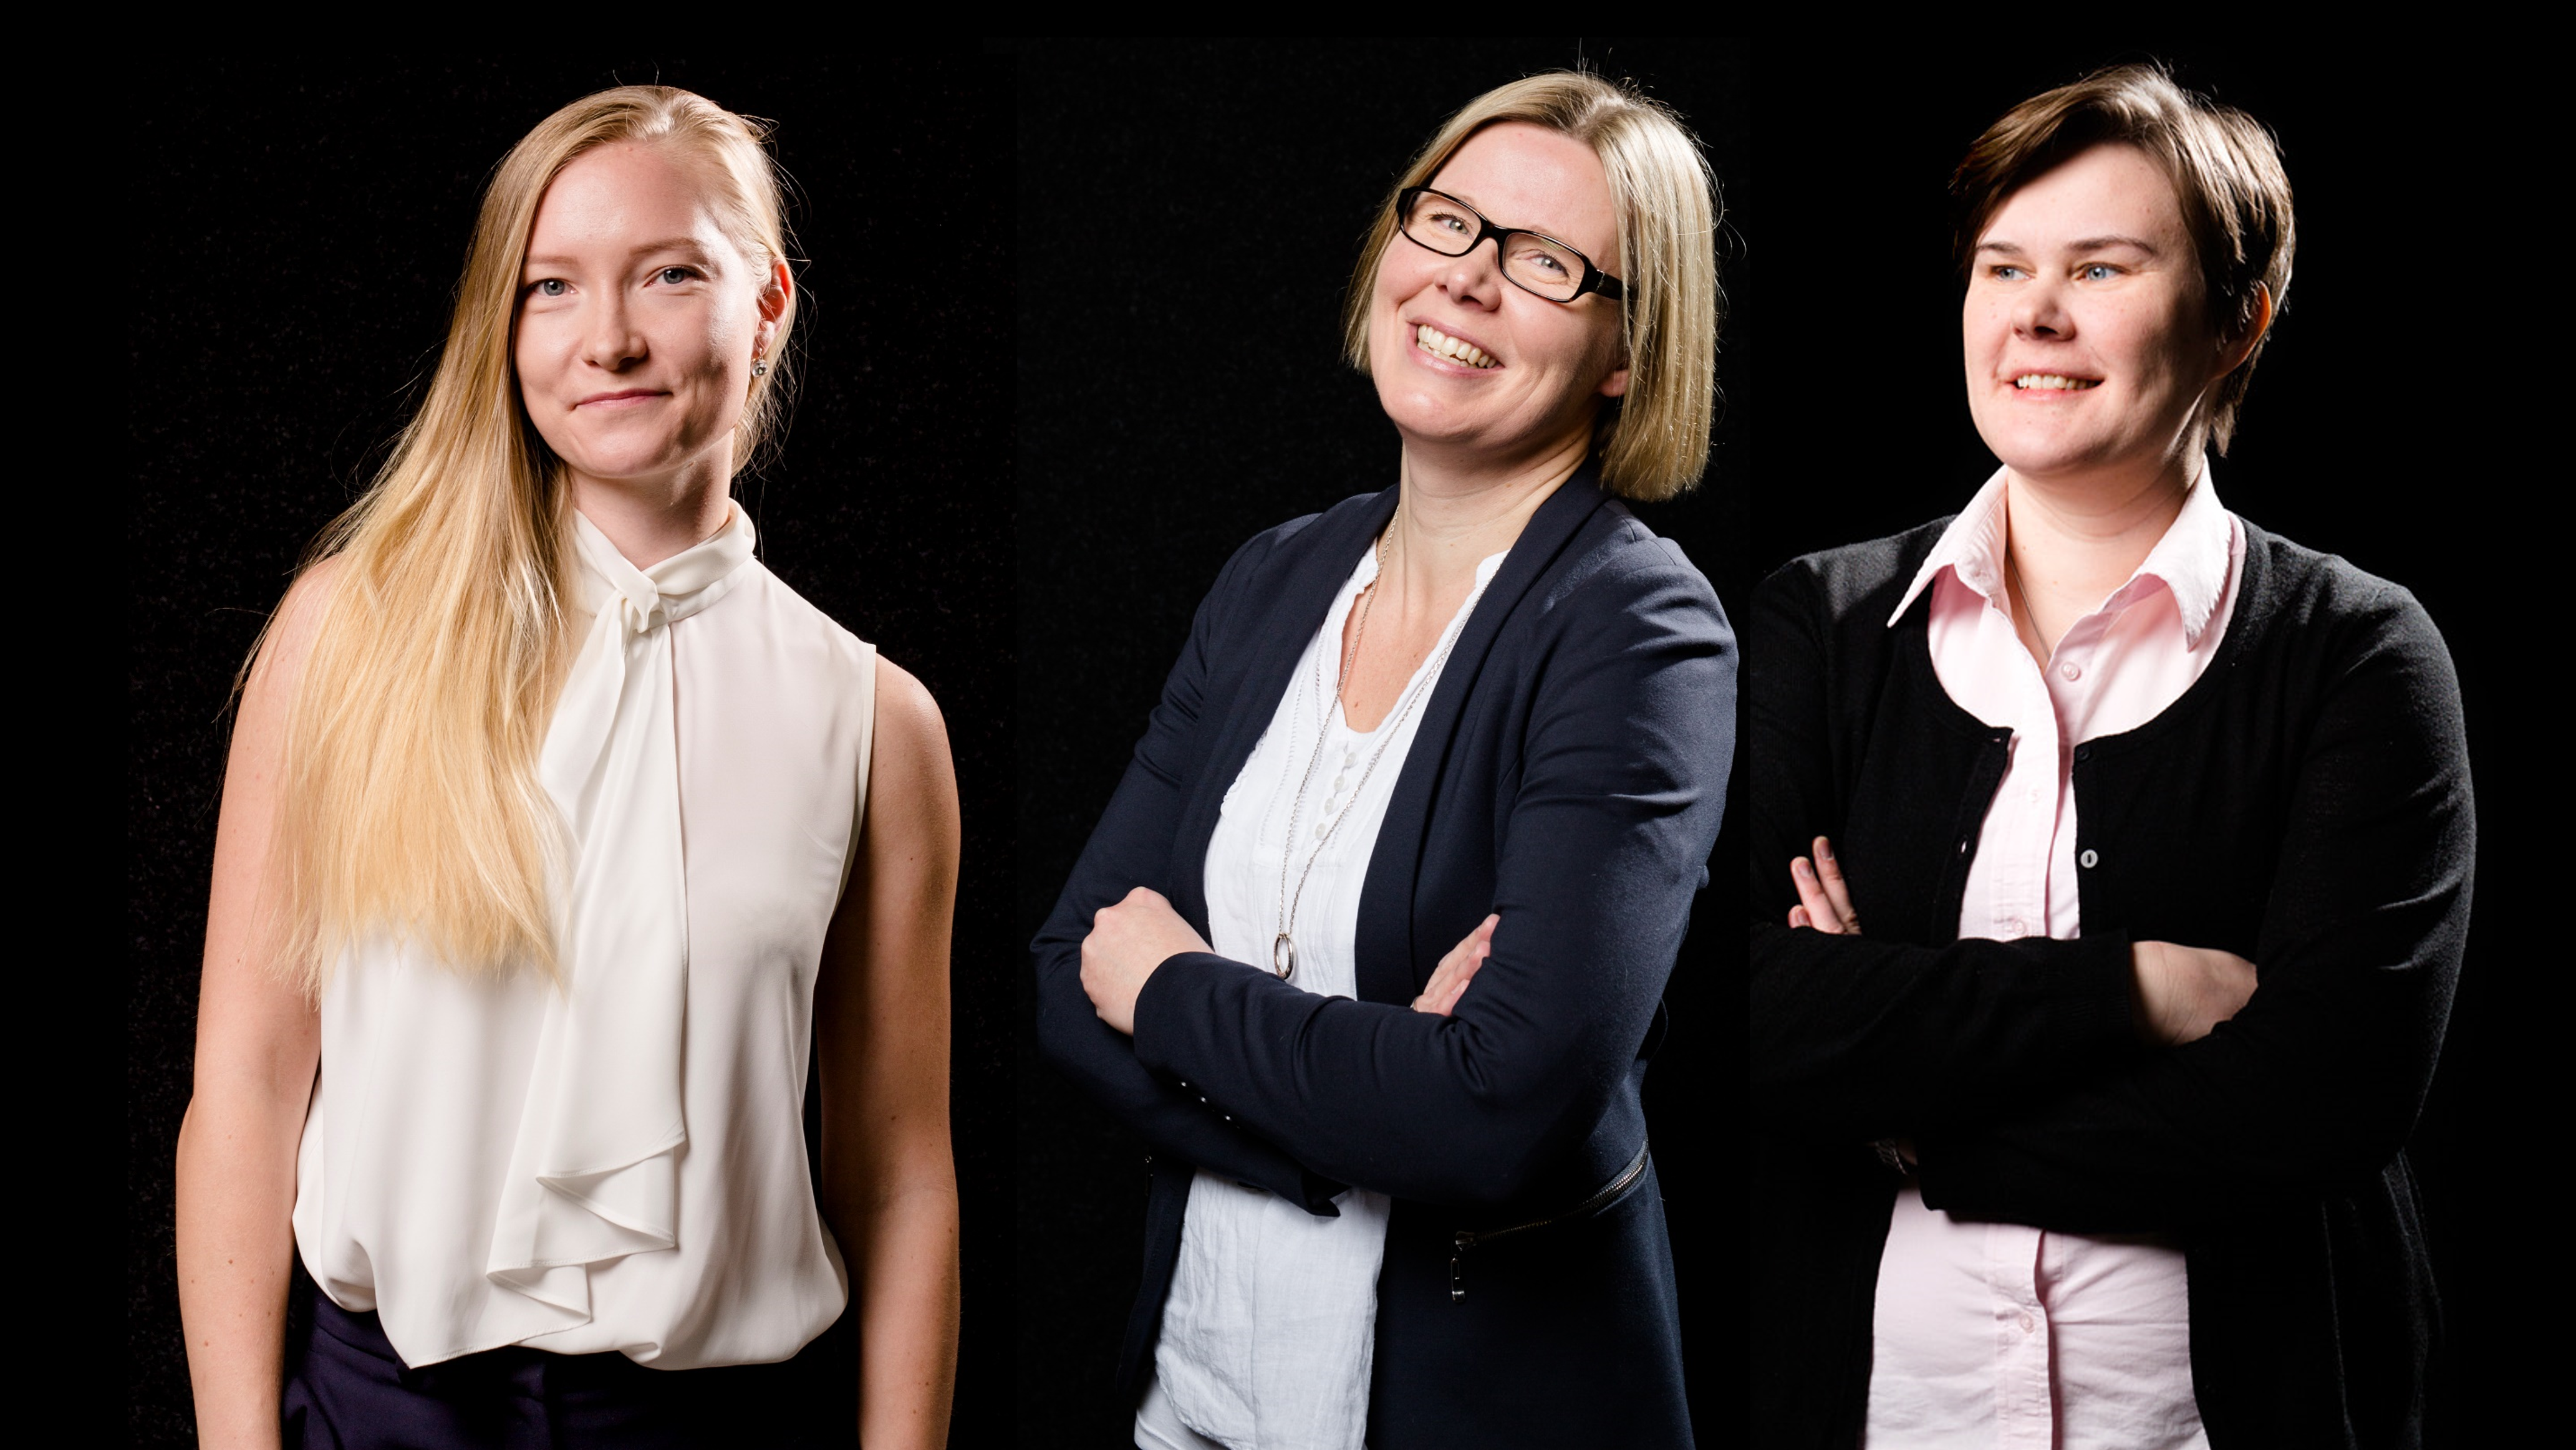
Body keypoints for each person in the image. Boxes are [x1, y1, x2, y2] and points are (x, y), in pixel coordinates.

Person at [173, 86, 960, 1449]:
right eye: (551, 287)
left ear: (766, 302)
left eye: (670, 274)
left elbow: (899, 1175)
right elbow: (245, 1085)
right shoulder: (348, 632)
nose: (608, 338)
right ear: (505, 322)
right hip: (376, 1412)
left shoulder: (877, 723)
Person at [1747, 64, 2473, 1448]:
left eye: (2101, 265)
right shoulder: (1820, 627)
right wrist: (2139, 990)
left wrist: (1909, 1118)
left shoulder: (2360, 655)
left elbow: (2321, 1097)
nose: (2033, 312)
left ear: (2235, 321)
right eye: (2002, 265)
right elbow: (1748, 1015)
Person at [1031, 70, 1731, 1449]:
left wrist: (1170, 986)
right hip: (1188, 1398)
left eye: (1545, 261)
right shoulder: (1277, 573)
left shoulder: (1637, 631)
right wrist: (1354, 1104)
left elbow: (1490, 1112)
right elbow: (1064, 972)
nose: (1467, 282)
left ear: (1627, 354)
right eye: (1449, 222)